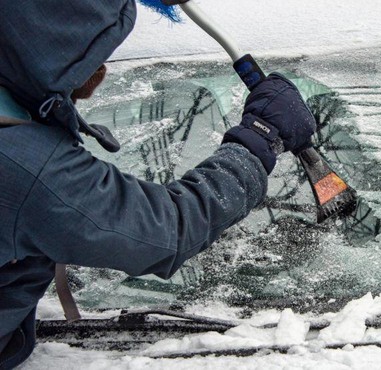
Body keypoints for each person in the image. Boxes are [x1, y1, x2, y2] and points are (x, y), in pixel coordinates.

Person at [0, 1, 316, 368]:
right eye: (95, 54)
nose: (101, 71)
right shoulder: (26, 165)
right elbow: (169, 228)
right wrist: (261, 137)